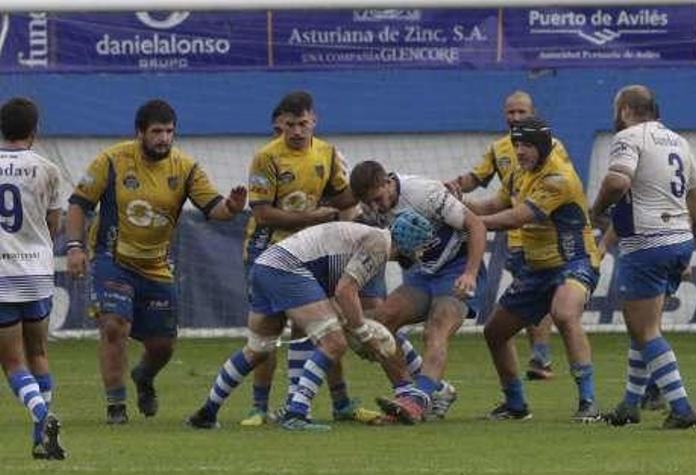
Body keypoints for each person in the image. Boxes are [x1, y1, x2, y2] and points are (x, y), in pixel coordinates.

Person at [66, 99, 247, 424]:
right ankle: (116, 407)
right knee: (113, 327)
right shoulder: (111, 161)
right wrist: (76, 246)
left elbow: (213, 209)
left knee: (163, 346)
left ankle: (144, 377)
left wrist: (232, 208)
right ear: (140, 133)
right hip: (113, 258)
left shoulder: (186, 168)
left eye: (169, 132)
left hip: (156, 266)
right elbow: (78, 203)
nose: (164, 138)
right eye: (156, 132)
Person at [186, 212, 434, 431]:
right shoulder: (379, 243)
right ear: (410, 240)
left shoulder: (369, 237)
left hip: (266, 265)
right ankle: (296, 413)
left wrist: (356, 326)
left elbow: (336, 295)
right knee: (334, 342)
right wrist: (365, 334)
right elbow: (345, 291)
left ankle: (207, 412)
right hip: (286, 269)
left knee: (258, 349)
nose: (422, 252)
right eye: (422, 245)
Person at [240, 91, 381, 426]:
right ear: (279, 125)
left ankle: (341, 404)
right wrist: (315, 218)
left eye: (303, 123)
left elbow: (340, 196)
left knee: (326, 325)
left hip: (313, 252)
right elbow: (262, 213)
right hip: (269, 251)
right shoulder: (266, 158)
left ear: (314, 121)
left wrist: (365, 190)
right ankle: (259, 407)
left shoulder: (328, 153)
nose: (298, 131)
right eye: (290, 125)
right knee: (268, 330)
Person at [590, 86, 696, 429]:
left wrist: (597, 209)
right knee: (643, 326)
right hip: (678, 242)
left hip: (646, 242)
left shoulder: (628, 137)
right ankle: (630, 405)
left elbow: (618, 181)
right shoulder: (678, 140)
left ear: (625, 110)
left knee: (645, 329)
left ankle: (681, 408)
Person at [466, 117, 603, 422]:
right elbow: (493, 206)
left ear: (541, 146)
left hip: (575, 260)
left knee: (565, 313)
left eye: (527, 144)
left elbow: (517, 217)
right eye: (516, 144)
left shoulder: (558, 178)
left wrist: (472, 226)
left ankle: (589, 403)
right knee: (495, 333)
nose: (520, 151)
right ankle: (516, 405)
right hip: (537, 268)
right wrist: (454, 206)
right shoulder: (519, 171)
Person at [349, 160, 488, 423]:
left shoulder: (424, 193)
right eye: (370, 202)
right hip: (426, 274)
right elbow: (398, 252)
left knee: (436, 328)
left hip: (457, 269)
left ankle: (418, 400)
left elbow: (477, 226)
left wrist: (470, 273)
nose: (376, 207)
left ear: (387, 182)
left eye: (378, 199)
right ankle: (407, 394)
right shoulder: (371, 209)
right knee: (379, 324)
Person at [445, 91, 559, 380]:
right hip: (514, 237)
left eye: (522, 112)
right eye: (511, 113)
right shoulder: (498, 149)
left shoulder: (552, 147)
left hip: (544, 236)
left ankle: (540, 356)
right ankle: (539, 358)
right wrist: (456, 187)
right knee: (534, 296)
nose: (516, 118)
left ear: (533, 113)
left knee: (541, 297)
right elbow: (477, 179)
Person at [0, 97, 67, 459]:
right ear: (34, 131)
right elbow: (54, 224)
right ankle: (40, 440)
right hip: (37, 273)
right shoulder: (48, 169)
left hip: (1, 274)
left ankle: (42, 414)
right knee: (38, 352)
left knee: (12, 362)